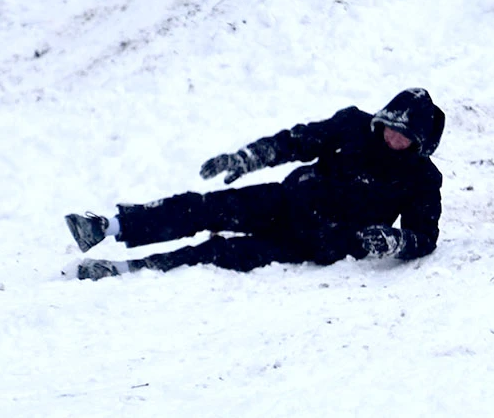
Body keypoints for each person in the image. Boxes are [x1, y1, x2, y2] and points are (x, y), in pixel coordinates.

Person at [64, 88, 446, 280]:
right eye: (391, 127)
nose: (393, 138)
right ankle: (107, 227)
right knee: (205, 207)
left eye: (404, 136)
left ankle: (122, 270)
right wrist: (248, 157)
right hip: (287, 200)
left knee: (217, 254)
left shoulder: (423, 179)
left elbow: (425, 236)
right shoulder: (354, 126)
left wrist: (396, 241)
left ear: (419, 142)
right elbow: (296, 141)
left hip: (319, 241)